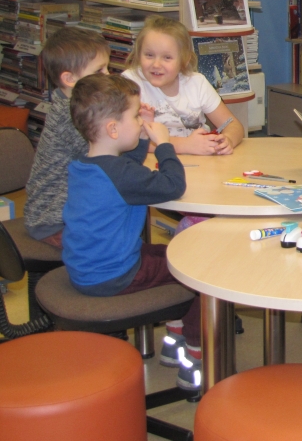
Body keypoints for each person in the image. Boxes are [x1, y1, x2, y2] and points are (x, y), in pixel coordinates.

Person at [63, 74, 202, 390]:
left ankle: (174, 338)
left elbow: (127, 169)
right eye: (136, 116)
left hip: (86, 268)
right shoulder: (121, 174)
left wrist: (139, 136)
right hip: (115, 274)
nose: (141, 121)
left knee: (171, 253)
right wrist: (164, 145)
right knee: (198, 270)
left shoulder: (85, 164)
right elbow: (173, 185)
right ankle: (194, 353)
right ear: (113, 129)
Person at [25, 28, 110, 248]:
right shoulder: (70, 116)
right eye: (99, 70)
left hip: (66, 213)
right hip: (54, 222)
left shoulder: (75, 106)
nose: (108, 75)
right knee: (114, 245)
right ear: (70, 79)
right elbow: (108, 153)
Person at [123, 16, 244, 155]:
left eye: (167, 57)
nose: (156, 64)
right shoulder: (129, 83)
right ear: (138, 54)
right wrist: (185, 145)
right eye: (149, 55)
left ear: (184, 60)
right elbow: (127, 140)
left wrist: (228, 139)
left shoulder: (197, 83)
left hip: (199, 162)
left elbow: (233, 125)